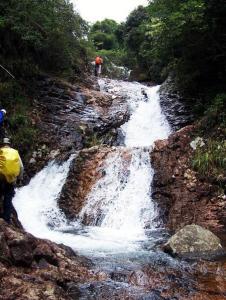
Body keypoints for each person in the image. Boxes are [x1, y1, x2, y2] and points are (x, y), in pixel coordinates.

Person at [0, 137, 24, 224]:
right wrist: (19, 179)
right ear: (9, 144)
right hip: (11, 180)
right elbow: (21, 167)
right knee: (8, 199)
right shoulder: (15, 152)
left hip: (0, 178)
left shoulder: (0, 151)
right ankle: (6, 219)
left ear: (2, 144)